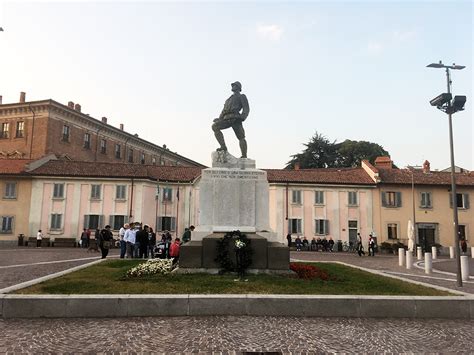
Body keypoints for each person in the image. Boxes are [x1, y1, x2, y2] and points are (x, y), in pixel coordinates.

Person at [212, 81, 250, 158]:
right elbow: (224, 110)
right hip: (226, 118)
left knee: (241, 137)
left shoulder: (242, 96)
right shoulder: (228, 99)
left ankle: (244, 155)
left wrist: (243, 116)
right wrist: (219, 119)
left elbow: (246, 108)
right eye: (232, 85)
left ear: (239, 88)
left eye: (234, 85)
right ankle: (223, 147)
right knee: (215, 126)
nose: (232, 86)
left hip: (236, 118)